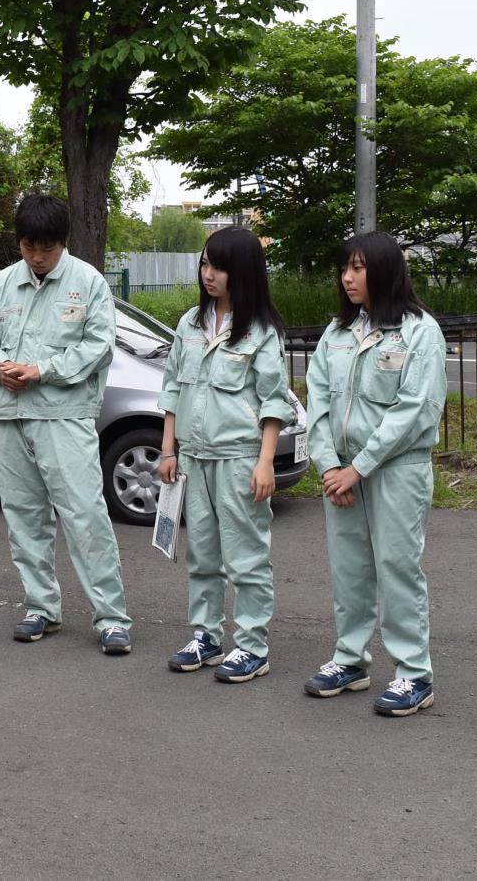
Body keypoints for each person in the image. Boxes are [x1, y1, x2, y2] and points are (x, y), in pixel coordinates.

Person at [0, 194, 133, 654]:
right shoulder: (1, 285)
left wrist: (41, 370)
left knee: (85, 516)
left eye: (46, 248)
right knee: (24, 517)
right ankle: (40, 607)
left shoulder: (88, 283)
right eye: (28, 246)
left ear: (63, 243)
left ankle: (112, 618)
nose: (37, 257)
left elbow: (99, 347)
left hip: (64, 417)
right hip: (8, 414)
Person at [302, 231, 447, 716]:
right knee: (350, 569)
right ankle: (350, 659)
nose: (347, 278)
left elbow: (415, 410)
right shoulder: (337, 333)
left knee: (397, 567)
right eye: (344, 268)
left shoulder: (419, 331)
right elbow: (317, 401)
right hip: (340, 472)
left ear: (385, 271)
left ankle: (413, 674)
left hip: (394, 469)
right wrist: (329, 466)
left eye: (358, 268)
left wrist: (358, 469)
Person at [157, 228, 293, 682]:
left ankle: (252, 645)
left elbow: (275, 400)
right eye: (204, 265)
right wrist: (168, 450)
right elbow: (173, 387)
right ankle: (207, 637)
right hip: (194, 457)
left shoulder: (261, 331)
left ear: (243, 272)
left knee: (247, 556)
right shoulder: (189, 324)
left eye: (217, 266)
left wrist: (265, 462)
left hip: (239, 458)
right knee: (204, 555)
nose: (208, 274)